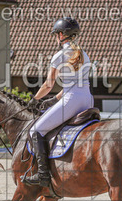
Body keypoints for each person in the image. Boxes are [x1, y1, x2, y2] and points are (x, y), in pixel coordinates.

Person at [23, 17, 94, 187]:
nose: (56, 37)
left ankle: (43, 175)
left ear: (61, 35)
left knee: (35, 130)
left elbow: (48, 85)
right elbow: (75, 83)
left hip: (72, 100)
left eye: (56, 34)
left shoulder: (59, 56)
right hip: (87, 99)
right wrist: (54, 99)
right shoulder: (83, 54)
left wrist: (35, 100)